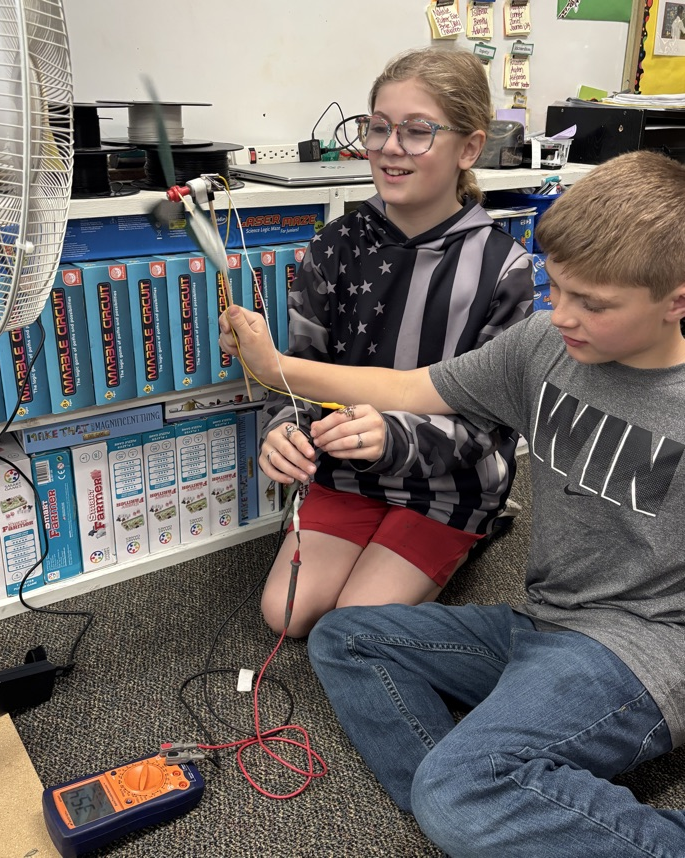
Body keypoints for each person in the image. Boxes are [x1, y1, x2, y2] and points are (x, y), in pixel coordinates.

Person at [219, 149, 685, 856]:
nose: (562, 315)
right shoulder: (544, 345)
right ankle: (484, 801)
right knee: (346, 637)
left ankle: (478, 797)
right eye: (555, 289)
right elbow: (407, 388)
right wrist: (272, 367)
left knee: (457, 791)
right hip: (546, 624)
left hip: (643, 648)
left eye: (593, 303)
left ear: (676, 300)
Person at [253, 47, 533, 637]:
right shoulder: (333, 246)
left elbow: (493, 426)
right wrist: (282, 429)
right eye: (377, 127)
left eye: (417, 131)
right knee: (287, 615)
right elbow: (297, 370)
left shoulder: (503, 267)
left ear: (469, 148)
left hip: (448, 479)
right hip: (348, 474)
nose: (388, 147)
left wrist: (394, 437)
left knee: (356, 623)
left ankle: (477, 531)